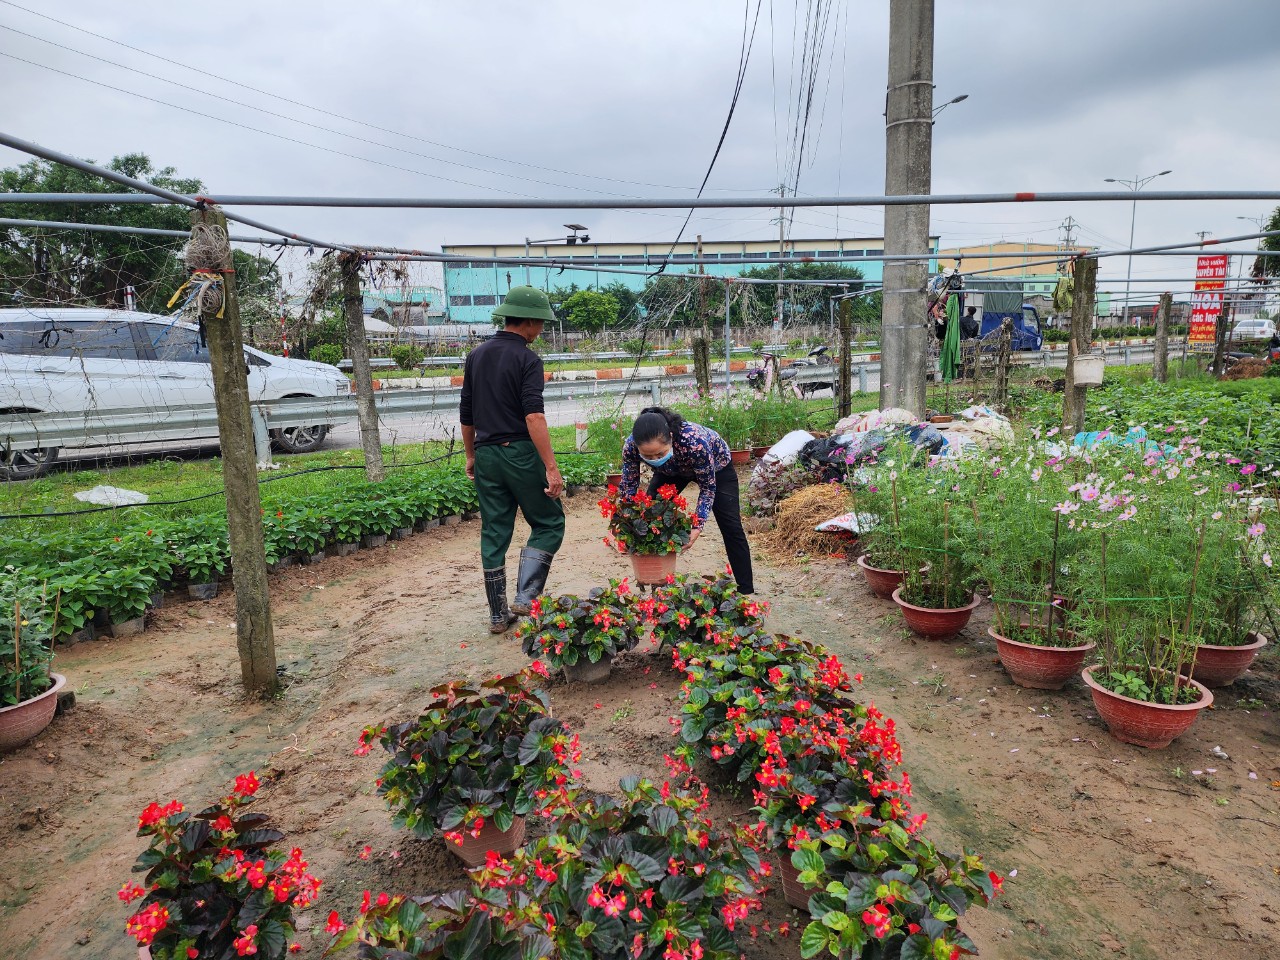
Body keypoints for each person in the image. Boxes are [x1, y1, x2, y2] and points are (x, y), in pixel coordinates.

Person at [460, 286, 565, 633]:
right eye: (542, 324)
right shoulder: (528, 360)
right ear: (530, 321)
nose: (541, 331)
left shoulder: (476, 356)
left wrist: (471, 455)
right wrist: (551, 467)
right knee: (549, 522)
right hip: (518, 452)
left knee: (494, 532)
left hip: (487, 454)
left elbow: (466, 413)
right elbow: (534, 417)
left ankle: (496, 615)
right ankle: (526, 595)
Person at [619, 406, 754, 594]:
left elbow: (708, 488)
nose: (655, 459)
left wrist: (697, 527)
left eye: (659, 454)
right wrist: (622, 521)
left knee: (731, 527)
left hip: (716, 469)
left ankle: (745, 592)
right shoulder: (631, 446)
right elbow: (628, 487)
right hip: (672, 472)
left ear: (671, 438)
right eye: (648, 457)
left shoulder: (693, 441)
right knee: (650, 515)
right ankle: (657, 585)